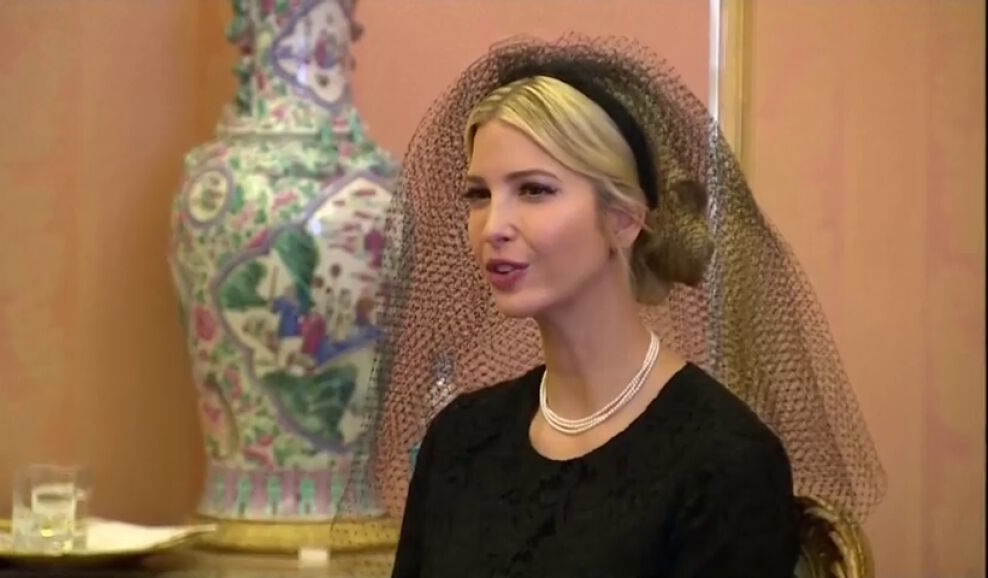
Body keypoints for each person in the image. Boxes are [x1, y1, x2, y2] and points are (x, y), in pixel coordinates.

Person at [332, 35, 885, 578]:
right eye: (479, 194)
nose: (492, 226)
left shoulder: (724, 460)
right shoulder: (460, 439)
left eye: (534, 190)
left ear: (623, 218)